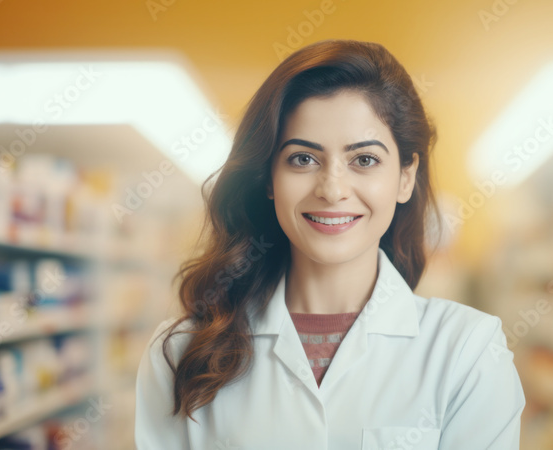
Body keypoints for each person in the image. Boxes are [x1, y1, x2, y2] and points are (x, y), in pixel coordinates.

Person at [134, 39, 525, 449]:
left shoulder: (469, 352)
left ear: (406, 176)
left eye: (364, 159)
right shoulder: (181, 353)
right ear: (268, 178)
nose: (333, 189)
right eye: (303, 158)